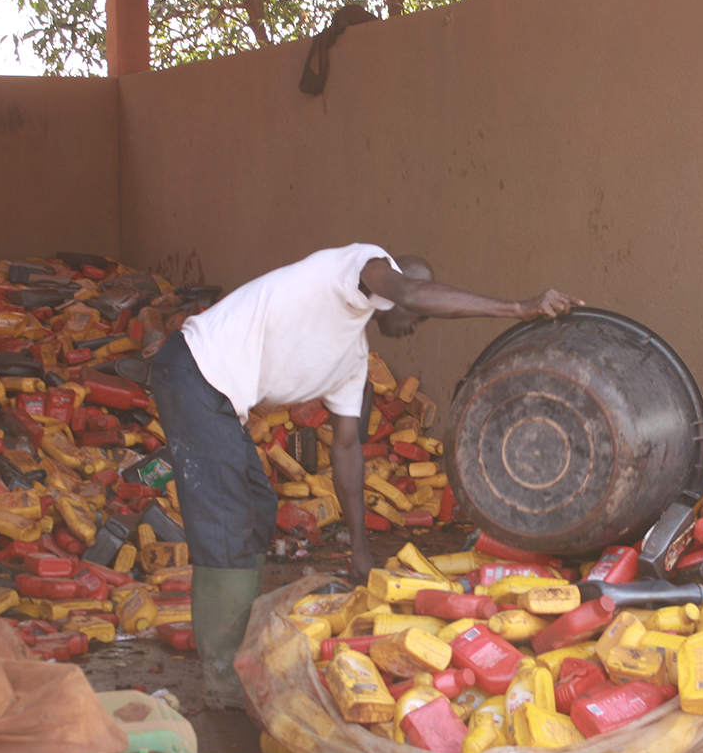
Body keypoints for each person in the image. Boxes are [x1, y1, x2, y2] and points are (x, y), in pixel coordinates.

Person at [147, 243, 583, 708]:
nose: (417, 323)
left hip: (219, 399)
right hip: (193, 370)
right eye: (415, 306)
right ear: (391, 290)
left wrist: (360, 551)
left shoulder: (351, 359)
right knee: (227, 522)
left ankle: (238, 650)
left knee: (257, 507)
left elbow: (348, 448)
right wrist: (517, 308)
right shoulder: (356, 265)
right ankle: (223, 683)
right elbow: (412, 292)